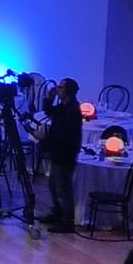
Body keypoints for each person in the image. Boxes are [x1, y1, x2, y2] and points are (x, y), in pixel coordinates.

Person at [41, 78, 83, 233]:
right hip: (57, 152)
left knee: (63, 189)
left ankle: (67, 222)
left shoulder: (72, 110)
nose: (57, 89)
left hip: (65, 153)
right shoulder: (64, 106)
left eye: (60, 88)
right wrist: (48, 99)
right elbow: (50, 112)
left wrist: (44, 138)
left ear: (67, 91)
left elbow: (64, 135)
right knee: (53, 185)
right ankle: (57, 213)